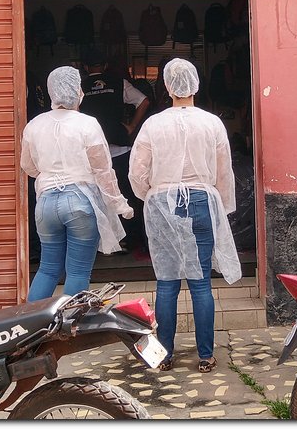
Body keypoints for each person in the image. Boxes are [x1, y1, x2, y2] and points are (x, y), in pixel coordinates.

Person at [129, 58, 242, 373]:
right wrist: (223, 207)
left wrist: (152, 195)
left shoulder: (153, 124)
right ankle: (205, 356)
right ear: (196, 85)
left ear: (167, 86)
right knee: (201, 281)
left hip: (163, 202)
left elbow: (137, 172)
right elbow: (224, 172)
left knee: (167, 283)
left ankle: (164, 356)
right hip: (203, 200)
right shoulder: (212, 123)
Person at [21, 66, 134, 301]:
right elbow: (103, 170)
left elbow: (29, 167)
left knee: (48, 269)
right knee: (78, 271)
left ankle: (29, 327)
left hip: (46, 205)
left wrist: (51, 174)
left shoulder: (34, 125)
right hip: (80, 202)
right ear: (77, 91)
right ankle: (70, 328)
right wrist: (120, 205)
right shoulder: (88, 124)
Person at [79, 48, 151, 258]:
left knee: (95, 198)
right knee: (125, 196)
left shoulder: (79, 87)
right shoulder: (119, 83)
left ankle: (100, 244)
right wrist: (131, 126)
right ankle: (128, 240)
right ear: (105, 65)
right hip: (119, 150)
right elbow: (144, 101)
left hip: (89, 155)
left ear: (85, 67)